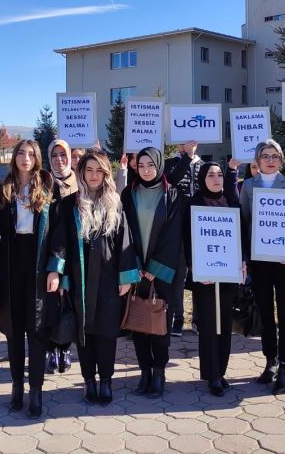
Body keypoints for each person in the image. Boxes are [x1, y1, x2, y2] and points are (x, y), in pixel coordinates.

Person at [48, 150, 140, 406]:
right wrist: (59, 274)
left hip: (108, 280)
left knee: (107, 333)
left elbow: (124, 241)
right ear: (81, 173)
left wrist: (126, 277)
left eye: (99, 170)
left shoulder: (115, 203)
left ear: (106, 174)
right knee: (84, 333)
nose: (94, 175)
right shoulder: (70, 204)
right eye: (89, 170)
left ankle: (106, 381)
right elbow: (61, 242)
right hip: (80, 279)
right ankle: (89, 381)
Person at [0, 140, 59, 418]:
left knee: (37, 329)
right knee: (14, 330)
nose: (26, 158)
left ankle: (36, 391)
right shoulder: (2, 191)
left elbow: (58, 234)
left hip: (38, 263)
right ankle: (17, 386)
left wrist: (55, 268)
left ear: (38, 159)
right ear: (14, 157)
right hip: (11, 264)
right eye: (21, 153)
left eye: (31, 154)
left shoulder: (49, 189)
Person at [239, 140, 285, 394]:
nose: (270, 160)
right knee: (265, 313)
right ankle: (271, 361)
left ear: (281, 159)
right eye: (265, 156)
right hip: (260, 261)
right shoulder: (249, 186)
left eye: (275, 156)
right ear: (257, 160)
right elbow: (244, 223)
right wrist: (246, 258)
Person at [119, 147, 185, 398]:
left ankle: (159, 372)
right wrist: (134, 264)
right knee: (138, 322)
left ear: (159, 165)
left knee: (160, 324)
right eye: (141, 165)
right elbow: (124, 230)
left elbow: (174, 235)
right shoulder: (129, 193)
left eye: (151, 165)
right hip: (136, 269)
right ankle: (144, 372)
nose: (146, 170)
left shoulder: (173, 194)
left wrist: (155, 268)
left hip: (162, 271)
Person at [187, 161, 240, 396]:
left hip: (228, 273)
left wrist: (242, 262)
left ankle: (222, 370)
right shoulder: (194, 203)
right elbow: (187, 239)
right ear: (202, 179)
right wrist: (196, 268)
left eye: (219, 174)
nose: (216, 179)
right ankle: (212, 374)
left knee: (225, 322)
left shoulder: (231, 202)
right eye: (211, 175)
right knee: (209, 323)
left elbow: (241, 235)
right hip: (205, 276)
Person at [45, 139, 76, 373]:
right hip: (50, 251)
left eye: (63, 154)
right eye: (54, 155)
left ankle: (65, 347)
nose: (59, 160)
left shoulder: (80, 181)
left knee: (69, 302)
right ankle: (50, 349)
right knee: (50, 302)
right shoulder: (43, 182)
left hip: (75, 252)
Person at [164, 141, 201, 336]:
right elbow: (172, 181)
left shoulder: (204, 166)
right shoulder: (170, 163)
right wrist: (187, 157)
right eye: (181, 142)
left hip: (200, 227)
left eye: (189, 142)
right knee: (179, 274)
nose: (184, 145)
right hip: (178, 228)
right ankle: (177, 317)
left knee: (200, 274)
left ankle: (198, 319)